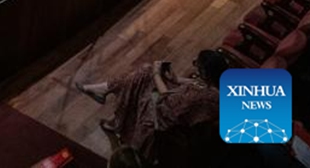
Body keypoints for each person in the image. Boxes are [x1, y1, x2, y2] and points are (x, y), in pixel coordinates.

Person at [75, 50, 227, 163]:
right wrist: (175, 79)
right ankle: (106, 92)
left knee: (142, 81)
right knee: (145, 72)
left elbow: (165, 100)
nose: (193, 64)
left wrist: (156, 74)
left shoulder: (199, 98)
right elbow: (196, 84)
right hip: (178, 107)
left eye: (196, 64)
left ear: (205, 73)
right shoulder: (218, 86)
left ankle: (115, 116)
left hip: (165, 122)